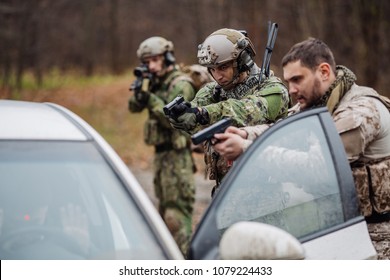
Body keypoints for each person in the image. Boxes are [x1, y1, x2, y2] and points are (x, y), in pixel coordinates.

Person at [213, 37, 390, 259]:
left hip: (378, 238)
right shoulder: (321, 104)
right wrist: (246, 133)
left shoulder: (360, 111)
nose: (292, 90)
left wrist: (248, 149)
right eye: (288, 81)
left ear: (324, 72)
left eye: (297, 80)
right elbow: (285, 129)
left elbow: (318, 168)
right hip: (342, 232)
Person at [168, 28, 290, 196]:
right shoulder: (213, 91)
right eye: (212, 69)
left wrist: (204, 113)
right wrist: (182, 117)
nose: (217, 76)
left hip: (268, 195)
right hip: (226, 194)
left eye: (223, 67)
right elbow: (194, 115)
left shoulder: (273, 90)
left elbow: (248, 111)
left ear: (242, 61)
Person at [128, 36, 196, 256]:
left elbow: (173, 119)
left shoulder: (181, 83)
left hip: (177, 158)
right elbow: (133, 107)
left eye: (156, 60)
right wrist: (141, 93)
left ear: (167, 57)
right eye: (147, 61)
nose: (152, 66)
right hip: (161, 158)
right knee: (164, 216)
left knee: (176, 218)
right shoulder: (155, 82)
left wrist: (150, 99)